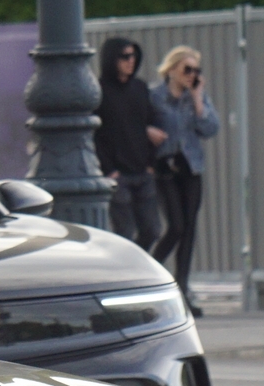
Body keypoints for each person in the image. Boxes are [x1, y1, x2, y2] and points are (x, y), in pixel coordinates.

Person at [149, 45, 221, 314]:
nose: (191, 75)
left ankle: (183, 287)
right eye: (186, 69)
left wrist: (199, 97)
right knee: (176, 226)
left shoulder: (195, 97)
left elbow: (211, 128)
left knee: (189, 227)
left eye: (195, 71)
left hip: (191, 168)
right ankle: (150, 269)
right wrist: (148, 131)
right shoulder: (155, 97)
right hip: (166, 168)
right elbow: (137, 122)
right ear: (171, 70)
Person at [93, 37, 162, 252]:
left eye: (133, 56)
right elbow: (95, 133)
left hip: (143, 170)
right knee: (125, 232)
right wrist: (109, 170)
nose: (130, 61)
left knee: (152, 230)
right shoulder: (99, 91)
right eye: (124, 56)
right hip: (117, 175)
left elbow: (150, 123)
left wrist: (151, 163)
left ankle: (135, 267)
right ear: (112, 59)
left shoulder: (140, 88)